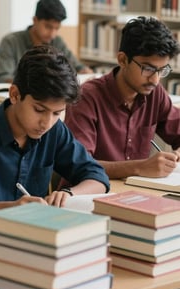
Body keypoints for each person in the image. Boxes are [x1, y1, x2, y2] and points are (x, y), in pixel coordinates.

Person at [0, 45, 109, 223]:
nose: (47, 122)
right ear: (14, 95)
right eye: (38, 109)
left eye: (57, 113)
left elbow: (97, 176)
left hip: (30, 236)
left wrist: (68, 194)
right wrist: (11, 210)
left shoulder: (55, 130)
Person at [65, 16, 180, 180]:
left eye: (162, 70)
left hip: (133, 193)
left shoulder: (155, 94)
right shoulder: (87, 98)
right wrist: (140, 167)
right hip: (88, 194)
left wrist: (176, 154)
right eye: (147, 69)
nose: (155, 80)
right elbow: (81, 165)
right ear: (123, 60)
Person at [0, 0, 92, 83]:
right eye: (48, 27)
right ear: (35, 20)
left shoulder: (57, 42)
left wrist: (84, 71)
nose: (52, 34)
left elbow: (76, 66)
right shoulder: (11, 42)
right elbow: (2, 78)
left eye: (57, 28)